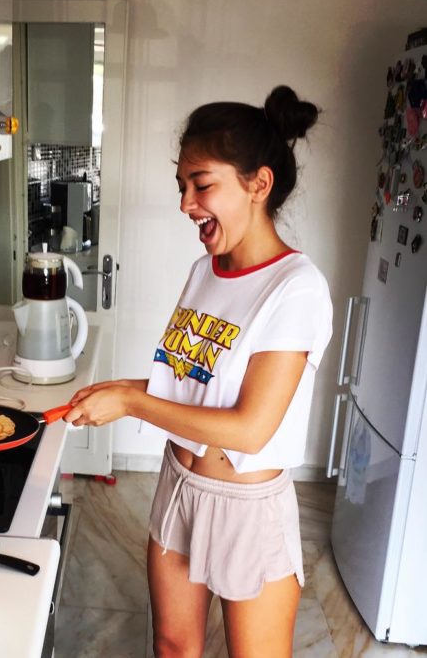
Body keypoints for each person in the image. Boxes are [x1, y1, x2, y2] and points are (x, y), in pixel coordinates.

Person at [64, 85, 333, 658]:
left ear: (258, 184)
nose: (186, 203)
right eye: (182, 187)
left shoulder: (296, 288)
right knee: (172, 647)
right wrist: (118, 390)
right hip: (178, 486)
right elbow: (191, 385)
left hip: (247, 509)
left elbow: (248, 429)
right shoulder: (204, 270)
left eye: (202, 184)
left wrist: (132, 404)